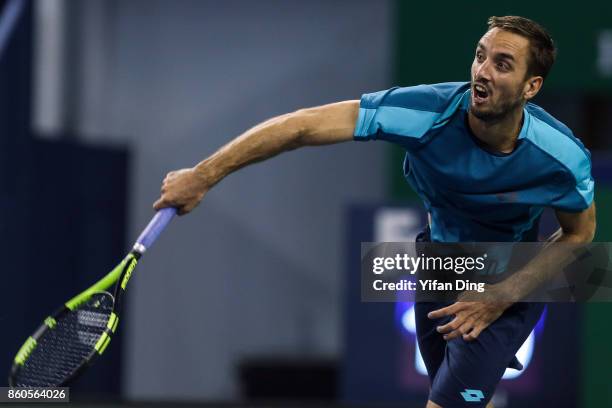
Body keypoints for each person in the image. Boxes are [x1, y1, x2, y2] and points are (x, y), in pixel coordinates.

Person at [153, 15, 596, 408]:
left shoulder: (560, 156)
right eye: (481, 56)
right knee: (450, 395)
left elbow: (580, 235)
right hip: (441, 262)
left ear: (531, 87)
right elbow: (302, 125)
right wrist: (204, 175)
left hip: (507, 275)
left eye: (502, 64)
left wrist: (504, 295)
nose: (482, 72)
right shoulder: (425, 112)